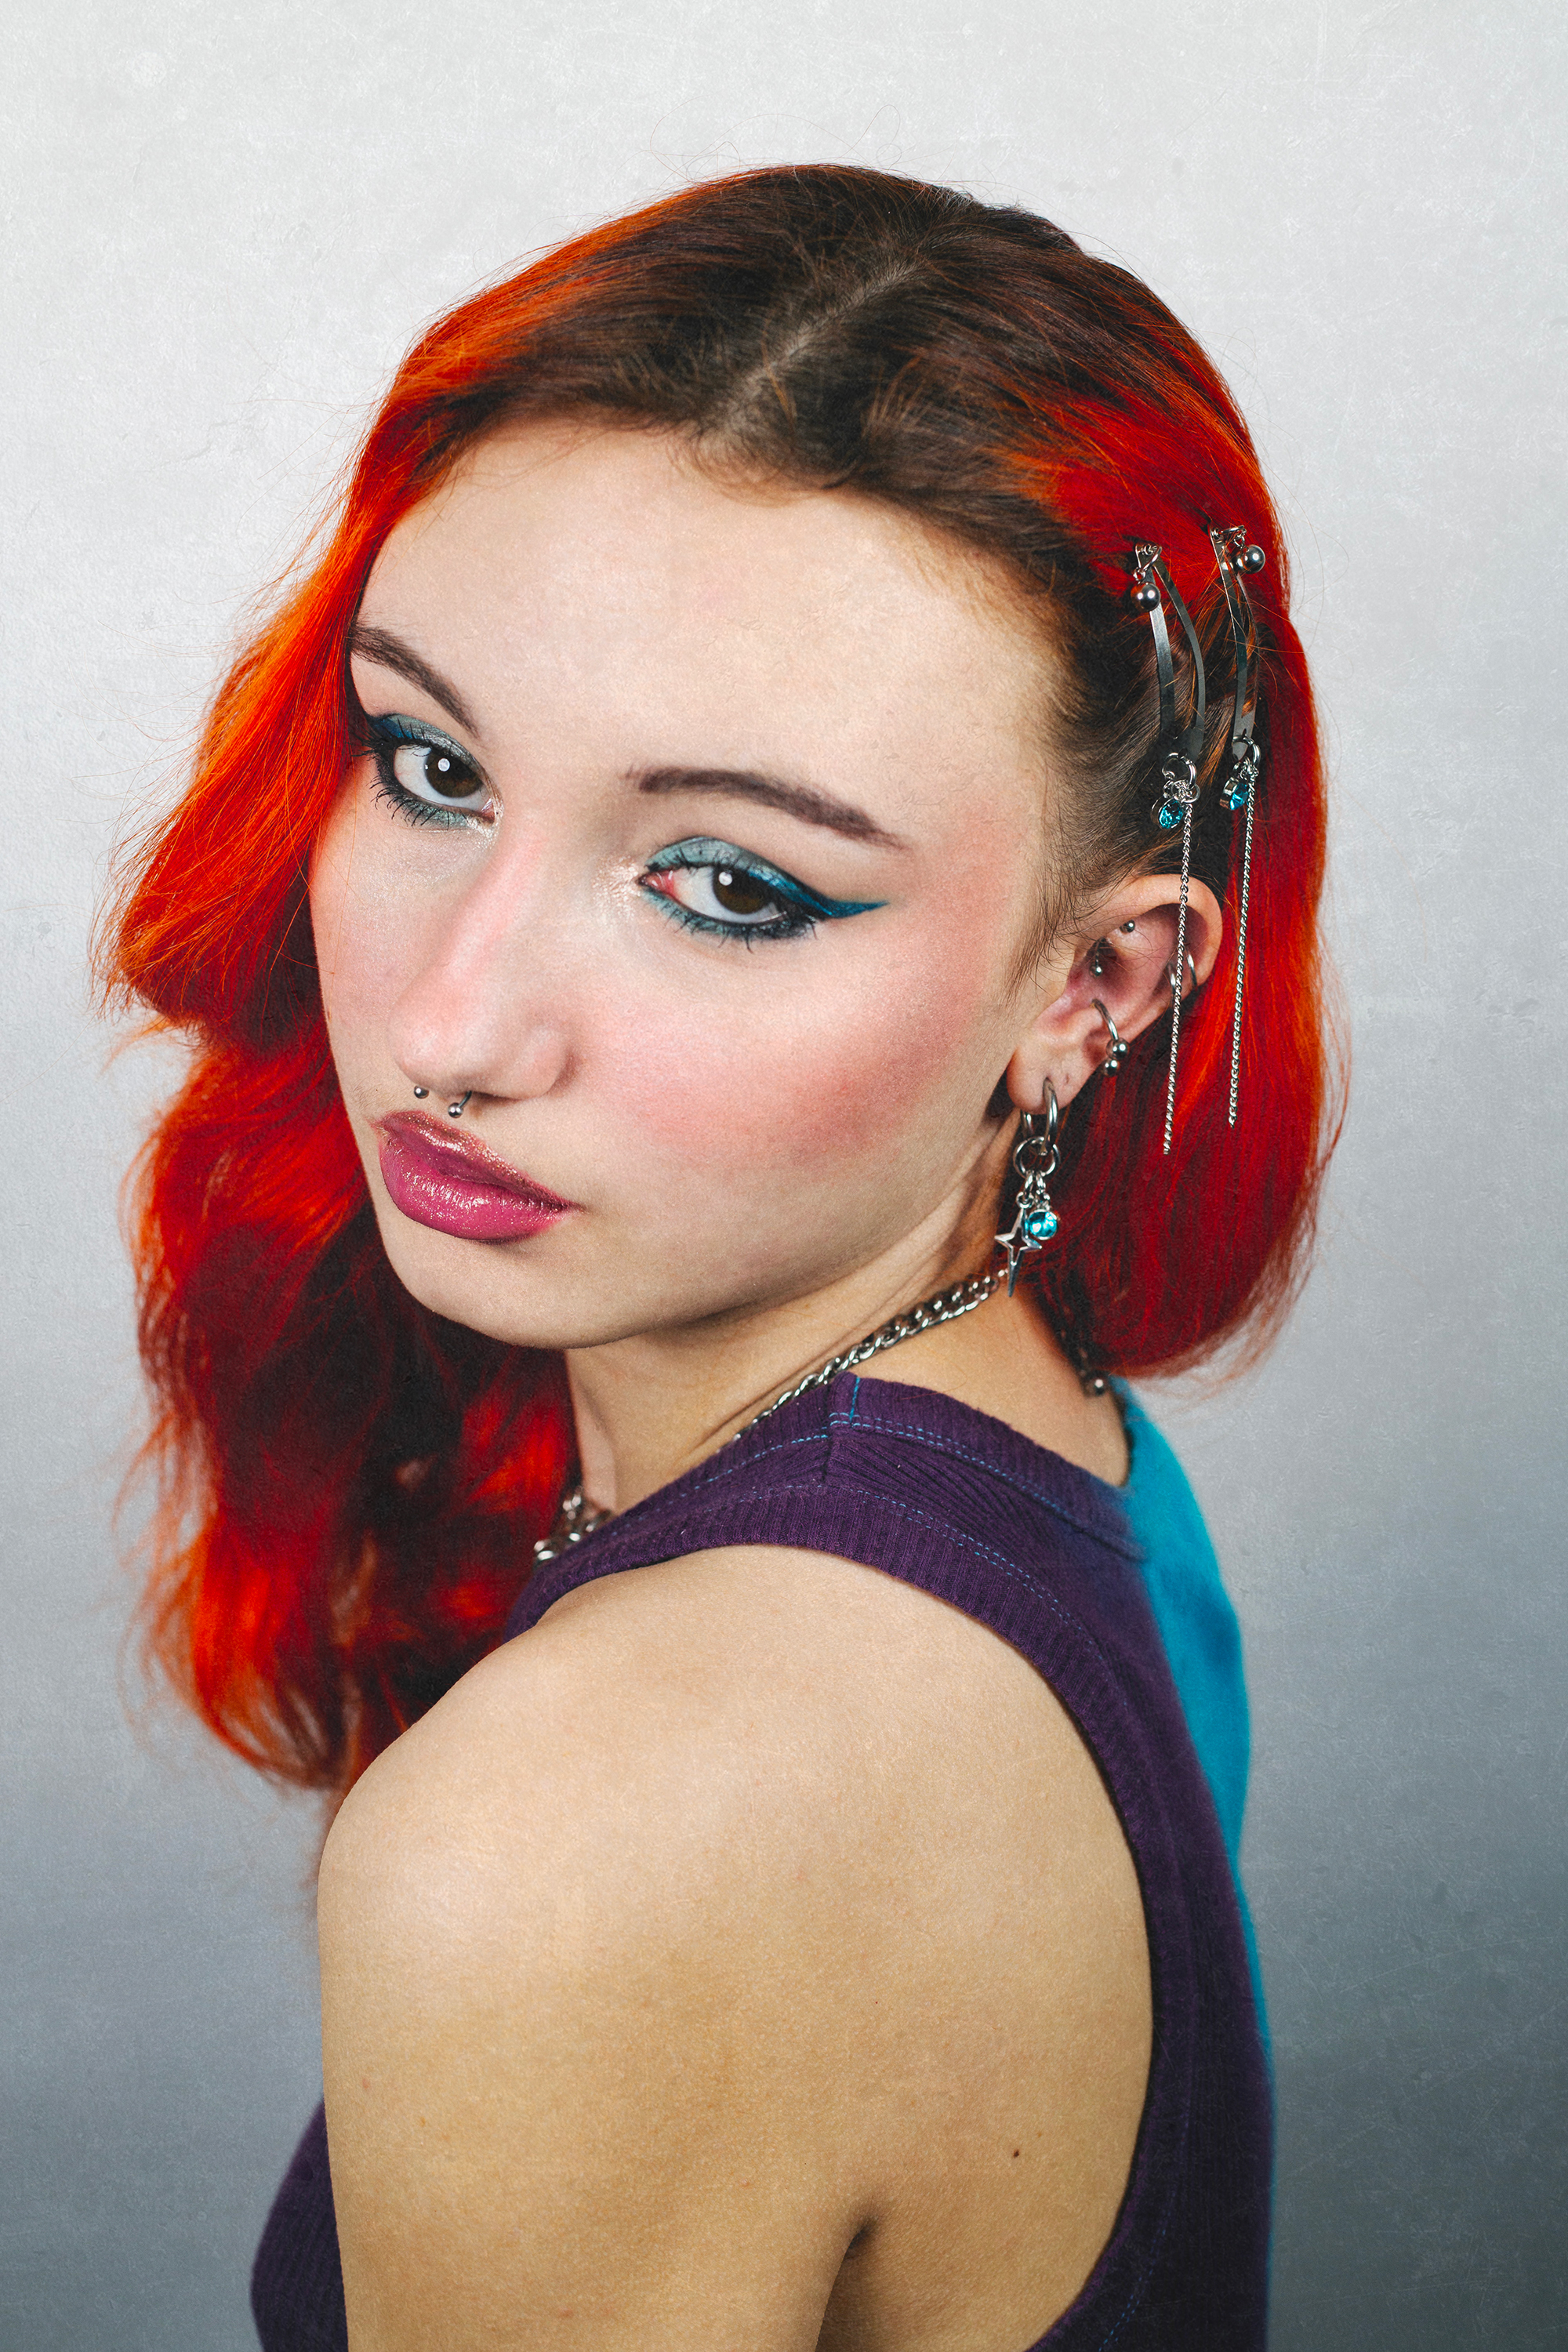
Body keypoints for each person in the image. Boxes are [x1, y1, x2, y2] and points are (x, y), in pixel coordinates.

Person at [102, 165, 1339, 2350]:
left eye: (732, 885)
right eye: (429, 766)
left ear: (1097, 987)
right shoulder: (1066, 1452)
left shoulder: (598, 1820)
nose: (457, 1026)